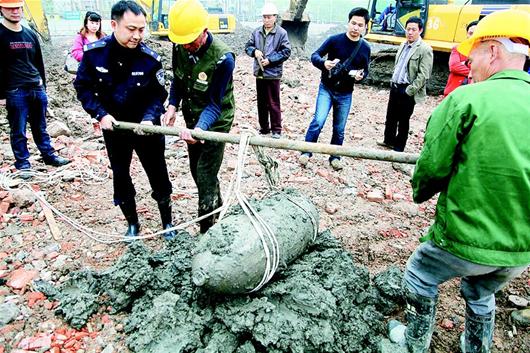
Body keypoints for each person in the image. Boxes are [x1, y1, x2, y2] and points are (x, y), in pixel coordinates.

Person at [389, 9, 530, 353]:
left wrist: (420, 192)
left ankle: (413, 343)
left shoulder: (466, 99)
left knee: (421, 273)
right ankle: (475, 346)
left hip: (467, 236)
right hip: (521, 248)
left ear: (494, 51)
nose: (469, 64)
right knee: (482, 290)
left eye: (474, 55)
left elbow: (432, 166)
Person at [74, 0, 175, 239]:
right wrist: (100, 114)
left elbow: (158, 94)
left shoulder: (149, 59)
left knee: (158, 173)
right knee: (120, 175)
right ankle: (132, 223)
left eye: (141, 29)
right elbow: (83, 88)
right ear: (113, 25)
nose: (137, 35)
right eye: (131, 29)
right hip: (115, 127)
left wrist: (150, 119)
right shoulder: (94, 55)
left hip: (146, 128)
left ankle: (167, 223)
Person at [163, 0, 235, 233]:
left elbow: (214, 104)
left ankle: (207, 230)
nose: (186, 47)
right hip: (193, 118)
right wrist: (173, 105)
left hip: (216, 122)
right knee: (197, 170)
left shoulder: (223, 59)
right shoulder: (180, 46)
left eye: (190, 41)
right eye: (181, 42)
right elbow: (178, 79)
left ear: (204, 31)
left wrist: (200, 130)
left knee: (204, 174)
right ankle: (218, 206)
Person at [0, 0, 70, 177]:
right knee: (19, 129)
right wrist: (1, 95)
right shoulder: (0, 35)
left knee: (41, 126)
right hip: (15, 91)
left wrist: (43, 86)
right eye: (10, 8)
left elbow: (39, 63)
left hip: (36, 88)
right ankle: (23, 163)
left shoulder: (30, 34)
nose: (15, 11)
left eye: (18, 7)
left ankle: (49, 155)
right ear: (2, 9)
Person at [298, 7, 370, 171]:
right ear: (348, 23)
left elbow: (365, 70)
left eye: (360, 25)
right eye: (353, 23)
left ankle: (335, 156)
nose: (355, 28)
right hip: (327, 89)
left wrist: (361, 76)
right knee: (318, 121)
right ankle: (306, 152)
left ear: (365, 27)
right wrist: (324, 64)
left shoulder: (365, 48)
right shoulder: (334, 40)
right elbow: (315, 55)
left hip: (346, 93)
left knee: (339, 128)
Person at [378, 16, 433, 152]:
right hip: (395, 86)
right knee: (390, 116)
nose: (410, 32)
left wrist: (410, 90)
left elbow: (424, 75)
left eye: (413, 29)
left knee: (403, 120)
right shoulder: (403, 45)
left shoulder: (425, 49)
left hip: (407, 90)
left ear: (420, 30)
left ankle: (398, 148)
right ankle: (388, 140)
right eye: (408, 29)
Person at [245, 2, 291, 139]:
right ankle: (264, 127)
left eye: (269, 17)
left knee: (273, 102)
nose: (266, 20)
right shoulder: (256, 32)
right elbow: (248, 46)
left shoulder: (282, 33)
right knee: (261, 102)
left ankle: (276, 129)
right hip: (260, 73)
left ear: (275, 17)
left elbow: (286, 51)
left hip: (273, 74)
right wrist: (254, 51)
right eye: (264, 17)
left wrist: (270, 60)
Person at [443, 20, 478, 96]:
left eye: (475, 34)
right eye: (470, 33)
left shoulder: (484, 52)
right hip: (453, 91)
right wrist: (473, 72)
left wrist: (462, 65)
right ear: (467, 34)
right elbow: (454, 66)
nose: (472, 36)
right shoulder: (458, 48)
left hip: (471, 92)